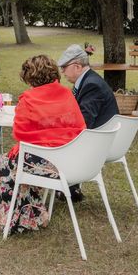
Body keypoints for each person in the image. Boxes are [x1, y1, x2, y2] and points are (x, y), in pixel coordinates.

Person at [0, 55, 86, 234]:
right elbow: (80, 127)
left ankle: (7, 218)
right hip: (69, 160)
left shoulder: (29, 98)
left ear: (30, 77)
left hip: (43, 162)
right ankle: (30, 215)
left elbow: (19, 133)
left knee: (5, 162)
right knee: (16, 163)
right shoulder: (66, 94)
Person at [57, 44, 119, 202]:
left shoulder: (91, 85)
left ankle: (65, 186)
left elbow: (83, 121)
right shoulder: (88, 80)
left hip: (99, 140)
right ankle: (68, 187)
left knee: (52, 139)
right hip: (99, 136)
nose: (62, 71)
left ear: (77, 66)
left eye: (64, 67)